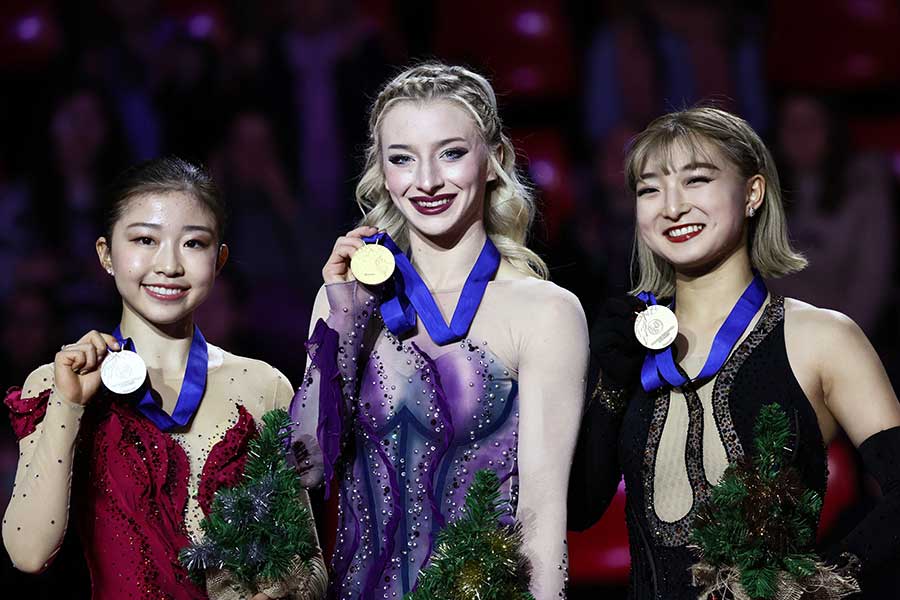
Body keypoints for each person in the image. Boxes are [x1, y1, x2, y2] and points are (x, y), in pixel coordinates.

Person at [568, 107, 900, 598]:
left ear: (752, 193)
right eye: (649, 189)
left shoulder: (824, 337)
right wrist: (611, 384)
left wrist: (823, 583)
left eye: (696, 180)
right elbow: (581, 509)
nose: (672, 206)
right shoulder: (629, 343)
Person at [290, 62, 588, 599]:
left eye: (451, 153)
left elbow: (542, 512)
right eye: (402, 159)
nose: (426, 181)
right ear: (380, 171)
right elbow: (307, 467)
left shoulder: (545, 311)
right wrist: (343, 317)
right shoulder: (345, 304)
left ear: (494, 159)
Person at [2, 157, 327, 599]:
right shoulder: (56, 383)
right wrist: (69, 403)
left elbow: (306, 561)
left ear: (219, 259)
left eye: (193, 244)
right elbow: (29, 552)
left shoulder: (262, 384)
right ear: (106, 254)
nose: (169, 265)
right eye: (144, 240)